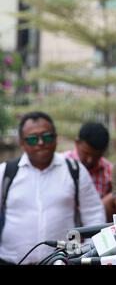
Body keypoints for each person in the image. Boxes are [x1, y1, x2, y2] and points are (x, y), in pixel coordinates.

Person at [0, 112, 105, 264]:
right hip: (10, 261)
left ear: (56, 138)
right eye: (32, 139)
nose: (41, 143)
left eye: (47, 136)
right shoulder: (5, 172)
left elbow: (94, 215)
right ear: (22, 143)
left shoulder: (74, 170)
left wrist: (85, 253)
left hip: (63, 261)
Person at [65, 122, 115, 221]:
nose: (90, 160)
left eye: (96, 156)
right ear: (77, 143)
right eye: (86, 153)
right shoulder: (62, 165)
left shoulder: (109, 171)